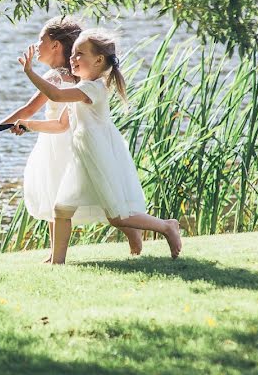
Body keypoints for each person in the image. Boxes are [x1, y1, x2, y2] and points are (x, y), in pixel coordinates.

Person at [16, 29, 182, 264]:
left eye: (79, 54)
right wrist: (28, 125)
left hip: (98, 155)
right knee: (61, 210)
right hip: (80, 156)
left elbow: (54, 93)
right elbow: (61, 124)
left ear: (98, 60)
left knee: (117, 217)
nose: (72, 58)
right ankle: (57, 263)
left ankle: (167, 226)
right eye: (72, 54)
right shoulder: (81, 87)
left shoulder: (93, 89)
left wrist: (30, 72)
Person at [0, 17, 142, 261]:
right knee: (67, 200)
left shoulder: (61, 79)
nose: (36, 44)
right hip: (61, 137)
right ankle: (57, 255)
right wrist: (24, 126)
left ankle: (136, 232)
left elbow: (30, 108)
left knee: (73, 197)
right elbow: (44, 116)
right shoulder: (79, 77)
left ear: (55, 45)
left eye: (41, 40)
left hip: (64, 144)